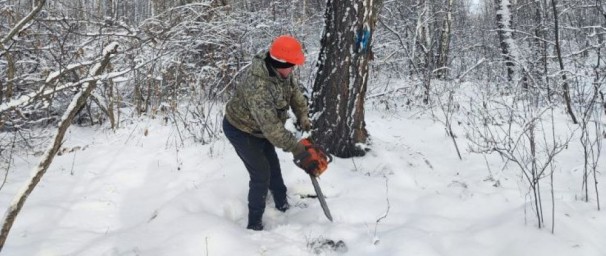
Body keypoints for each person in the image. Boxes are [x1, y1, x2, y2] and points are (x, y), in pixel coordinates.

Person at [223, 35, 326, 231]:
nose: (294, 69)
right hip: (241, 130)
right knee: (261, 174)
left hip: (261, 130)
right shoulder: (258, 87)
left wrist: (302, 115)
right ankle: (254, 224)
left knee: (274, 168)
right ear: (280, 63)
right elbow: (272, 129)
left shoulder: (283, 71)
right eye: (292, 65)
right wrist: (298, 149)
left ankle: (282, 204)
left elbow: (294, 92)